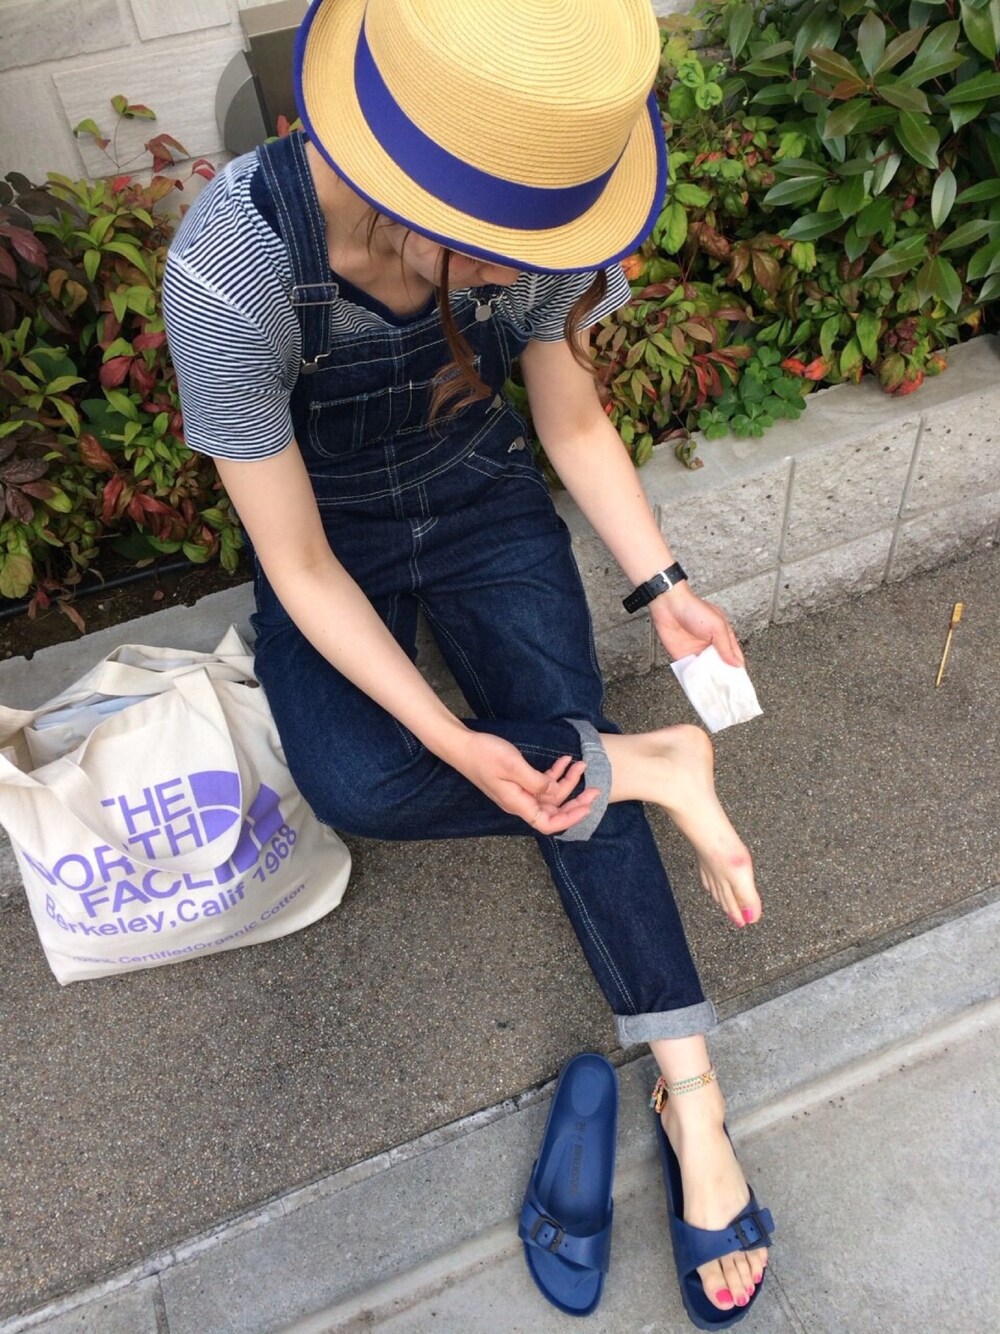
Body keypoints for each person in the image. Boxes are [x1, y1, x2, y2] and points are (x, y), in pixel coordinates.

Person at [163, 0, 771, 1319]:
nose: (530, 278)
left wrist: (664, 586)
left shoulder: (536, 209)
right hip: (332, 532)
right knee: (366, 780)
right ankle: (646, 762)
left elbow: (566, 408)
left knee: (554, 727)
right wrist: (454, 741)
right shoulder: (234, 263)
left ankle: (694, 1089)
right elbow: (297, 563)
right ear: (410, 192)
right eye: (507, 256)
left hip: (479, 489)